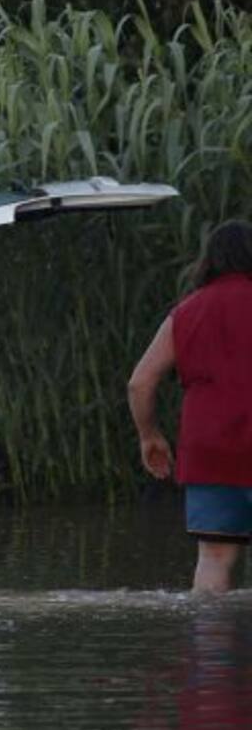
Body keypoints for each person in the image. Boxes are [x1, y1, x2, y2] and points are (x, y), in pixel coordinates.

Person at [128, 220, 252, 592]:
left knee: (214, 558)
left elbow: (140, 382)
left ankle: (210, 648)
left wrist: (149, 436)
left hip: (209, 451)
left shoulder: (185, 312)